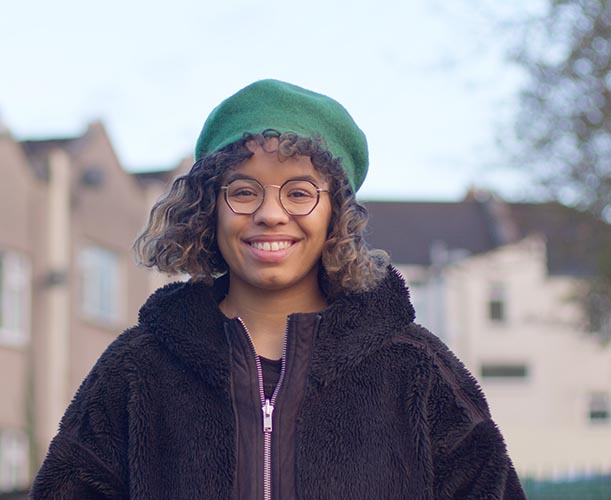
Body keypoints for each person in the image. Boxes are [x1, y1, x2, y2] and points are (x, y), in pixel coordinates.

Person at [30, 79, 526, 500]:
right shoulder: (137, 369)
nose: (270, 213)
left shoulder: (419, 371)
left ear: (337, 215)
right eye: (243, 191)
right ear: (209, 208)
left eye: (299, 192)